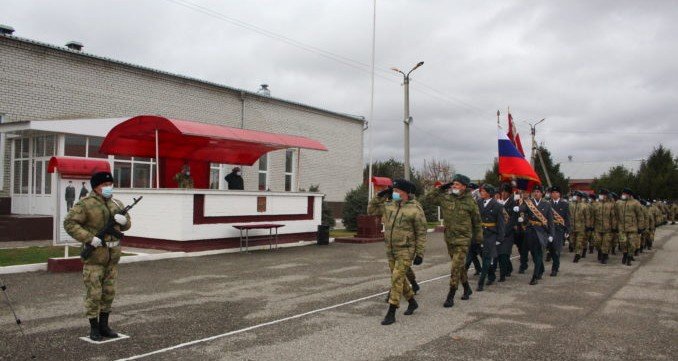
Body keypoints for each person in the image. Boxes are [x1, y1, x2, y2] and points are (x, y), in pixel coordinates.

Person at [64, 171, 131, 341]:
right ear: (96, 186)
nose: (108, 188)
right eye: (104, 185)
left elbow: (127, 224)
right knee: (94, 294)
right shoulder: (85, 204)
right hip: (95, 256)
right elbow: (69, 223)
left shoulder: (116, 203)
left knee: (109, 292)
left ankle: (104, 326)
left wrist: (124, 222)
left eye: (110, 185)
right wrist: (89, 238)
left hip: (112, 257)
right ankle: (94, 327)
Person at [368, 179, 427, 325]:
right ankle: (412, 302)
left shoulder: (415, 209)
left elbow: (421, 232)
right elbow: (371, 210)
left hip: (406, 249)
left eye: (397, 191)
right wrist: (380, 195)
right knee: (399, 279)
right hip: (391, 248)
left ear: (405, 193)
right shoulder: (389, 206)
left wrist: (420, 253)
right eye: (393, 190)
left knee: (396, 278)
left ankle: (391, 311)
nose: (394, 193)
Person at [424, 174, 482, 307]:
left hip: (463, 239)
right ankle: (467, 288)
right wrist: (441, 188)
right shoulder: (447, 198)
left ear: (464, 187)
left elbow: (477, 222)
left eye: (457, 184)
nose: (454, 186)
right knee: (460, 266)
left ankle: (451, 294)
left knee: (455, 266)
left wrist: (478, 239)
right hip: (449, 238)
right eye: (453, 184)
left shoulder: (470, 202)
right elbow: (429, 198)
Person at [518, 184, 554, 285]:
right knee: (534, 254)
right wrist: (517, 206)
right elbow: (522, 209)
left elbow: (550, 221)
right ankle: (541, 269)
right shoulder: (530, 203)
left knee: (538, 253)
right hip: (530, 231)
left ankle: (535, 276)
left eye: (538, 192)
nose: (536, 193)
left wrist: (551, 234)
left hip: (541, 231)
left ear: (542, 193)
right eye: (534, 192)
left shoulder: (546, 204)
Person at [476, 184, 506, 291]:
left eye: (483, 191)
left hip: (491, 234)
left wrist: (500, 238)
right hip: (480, 233)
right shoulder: (478, 202)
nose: (481, 193)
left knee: (487, 258)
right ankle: (492, 275)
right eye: (481, 191)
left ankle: (481, 282)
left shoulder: (497, 205)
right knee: (483, 256)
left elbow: (501, 223)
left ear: (489, 193)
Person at [615, 188, 645, 266]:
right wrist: (615, 225)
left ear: (629, 195)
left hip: (632, 228)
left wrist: (640, 227)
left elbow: (640, 216)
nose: (623, 195)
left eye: (624, 194)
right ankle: (625, 254)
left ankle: (629, 257)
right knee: (623, 242)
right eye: (623, 194)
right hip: (622, 227)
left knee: (631, 244)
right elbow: (615, 215)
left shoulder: (636, 203)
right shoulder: (619, 203)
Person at [497, 183, 519, 280]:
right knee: (500, 254)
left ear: (509, 193)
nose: (503, 193)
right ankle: (508, 268)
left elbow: (513, 220)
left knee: (504, 253)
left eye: (505, 191)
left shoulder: (513, 204)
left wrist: (505, 231)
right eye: (502, 191)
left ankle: (503, 275)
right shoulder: (498, 203)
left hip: (508, 233)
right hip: (499, 232)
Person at [591, 189, 617, 264]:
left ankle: (604, 256)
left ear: (606, 196)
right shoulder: (596, 204)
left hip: (608, 228)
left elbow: (613, 217)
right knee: (597, 242)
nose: (601, 196)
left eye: (603, 194)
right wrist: (591, 225)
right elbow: (592, 216)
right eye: (600, 194)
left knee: (606, 243)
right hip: (597, 228)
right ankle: (600, 251)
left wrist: (614, 227)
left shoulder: (610, 205)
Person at [548, 186, 570, 276]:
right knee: (551, 249)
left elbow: (567, 218)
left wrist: (567, 230)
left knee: (557, 250)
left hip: (559, 230)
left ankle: (555, 268)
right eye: (552, 192)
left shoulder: (564, 204)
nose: (554, 194)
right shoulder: (547, 204)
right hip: (549, 229)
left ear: (559, 194)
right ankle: (556, 264)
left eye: (556, 192)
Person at [570, 191, 591, 263]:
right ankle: (577, 251)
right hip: (572, 227)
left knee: (579, 242)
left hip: (581, 227)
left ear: (580, 197)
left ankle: (577, 254)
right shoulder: (571, 205)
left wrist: (588, 226)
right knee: (572, 242)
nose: (575, 197)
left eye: (576, 196)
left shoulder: (584, 206)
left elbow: (587, 217)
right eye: (574, 196)